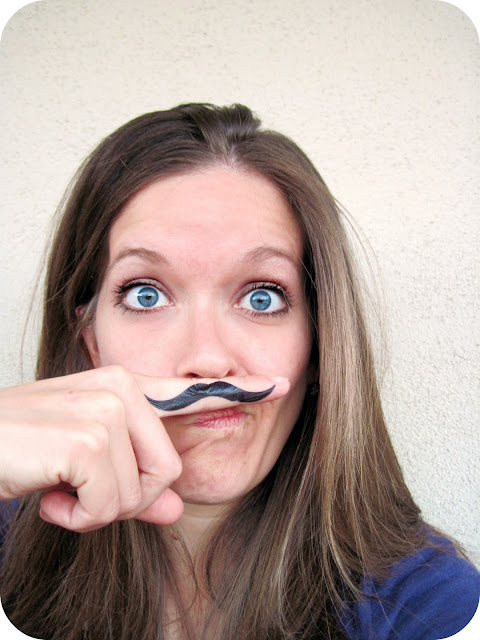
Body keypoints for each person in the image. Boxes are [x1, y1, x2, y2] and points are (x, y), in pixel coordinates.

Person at [0, 103, 478, 640]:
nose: (206, 358)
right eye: (146, 294)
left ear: (319, 344)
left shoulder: (431, 603)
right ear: (91, 341)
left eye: (261, 296)